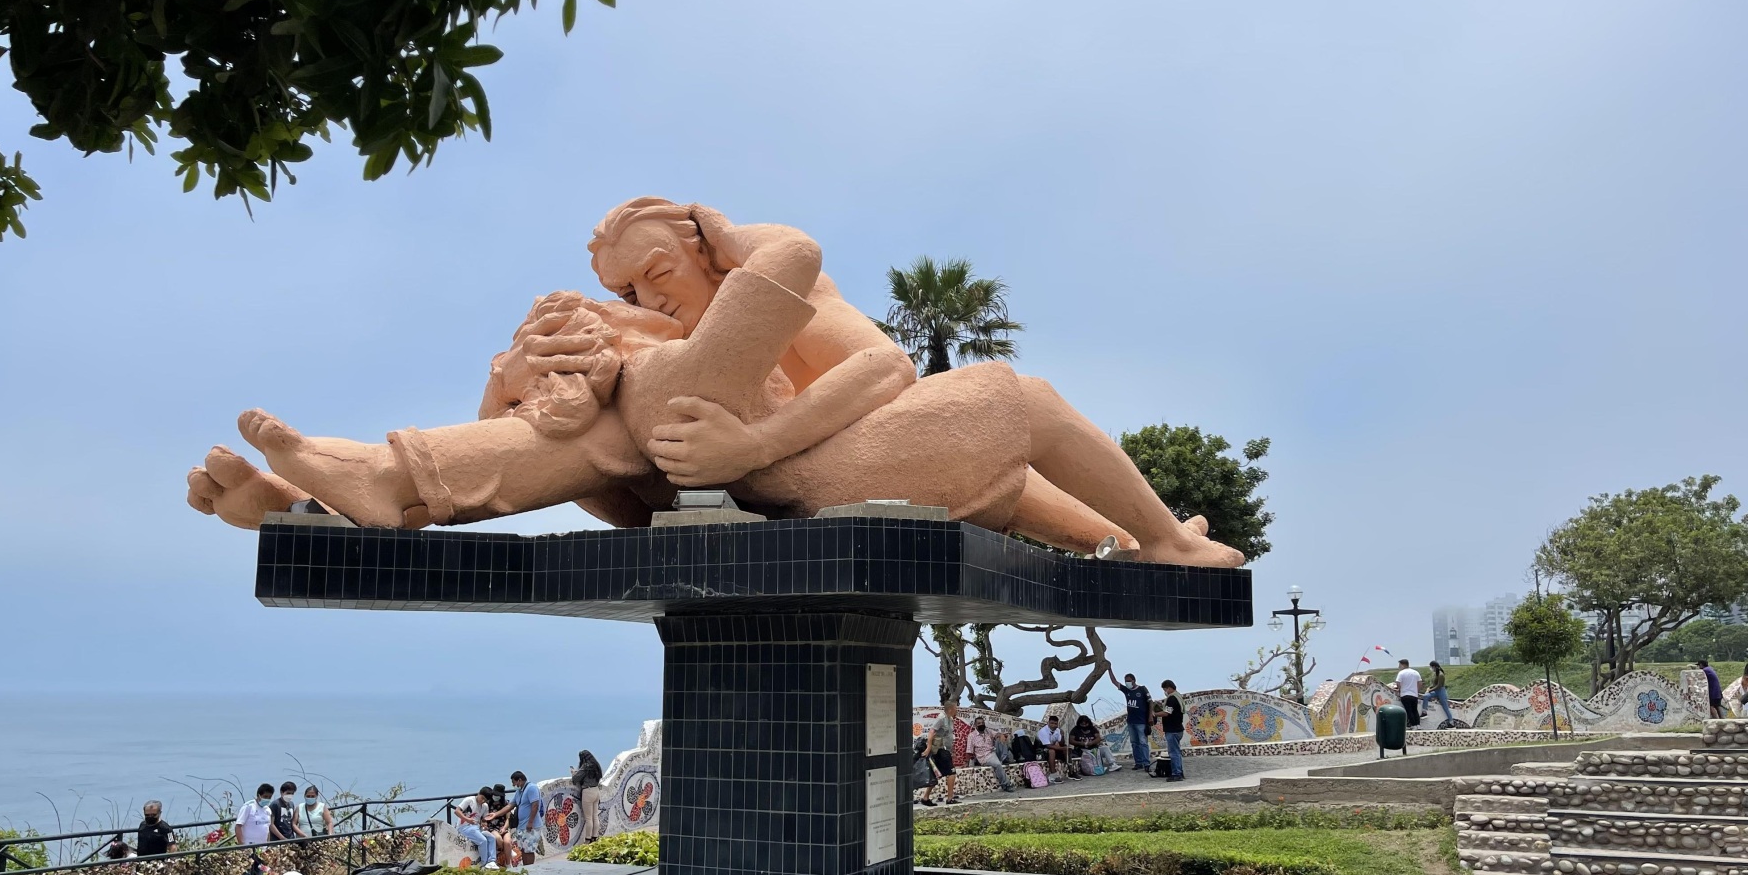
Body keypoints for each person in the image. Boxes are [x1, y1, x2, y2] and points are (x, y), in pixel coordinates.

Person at [193, 201, 1245, 574]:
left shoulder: (780, 299)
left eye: (659, 271)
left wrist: (751, 445)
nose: (648, 295)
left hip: (816, 462)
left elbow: (889, 371)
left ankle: (1162, 541)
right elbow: (582, 475)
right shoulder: (660, 352)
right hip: (733, 485)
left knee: (1017, 397)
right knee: (605, 422)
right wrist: (511, 380)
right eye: (627, 288)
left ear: (707, 248)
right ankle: (340, 496)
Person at [1107, 667, 1155, 771]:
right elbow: (1114, 681)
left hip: (1141, 721)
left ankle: (1146, 763)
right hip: (1131, 721)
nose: (1127, 683)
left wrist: (1150, 716)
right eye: (1126, 681)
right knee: (1134, 743)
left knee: (1143, 742)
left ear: (1134, 680)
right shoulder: (1127, 690)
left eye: (1129, 681)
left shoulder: (1142, 689)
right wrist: (1109, 670)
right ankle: (1138, 762)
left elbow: (1150, 702)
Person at [918, 704, 961, 806]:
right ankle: (950, 798)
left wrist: (952, 750)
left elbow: (948, 736)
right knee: (952, 773)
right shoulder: (941, 718)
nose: (957, 710)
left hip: (945, 750)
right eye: (955, 708)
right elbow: (931, 732)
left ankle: (925, 797)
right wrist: (928, 747)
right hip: (940, 750)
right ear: (950, 709)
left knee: (937, 774)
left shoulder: (950, 719)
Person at [965, 716, 1016, 794]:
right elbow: (969, 751)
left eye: (982, 723)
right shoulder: (971, 736)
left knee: (1002, 738)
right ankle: (1006, 784)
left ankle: (1004, 758)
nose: (981, 724)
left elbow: (997, 734)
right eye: (979, 723)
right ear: (975, 725)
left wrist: (1001, 735)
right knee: (997, 765)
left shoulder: (988, 731)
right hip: (984, 757)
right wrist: (966, 763)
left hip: (993, 752)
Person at [455, 787, 499, 868]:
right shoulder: (469, 800)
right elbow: (457, 811)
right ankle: (483, 863)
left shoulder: (485, 806)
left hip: (477, 828)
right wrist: (467, 819)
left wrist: (485, 823)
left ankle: (491, 861)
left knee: (492, 838)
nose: (483, 801)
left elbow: (484, 819)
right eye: (482, 798)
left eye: (485, 800)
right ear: (479, 793)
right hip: (465, 827)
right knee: (483, 840)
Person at [509, 771, 546, 866]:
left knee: (529, 850)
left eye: (514, 782)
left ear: (519, 780)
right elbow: (511, 805)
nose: (513, 785)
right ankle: (526, 868)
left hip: (531, 826)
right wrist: (495, 814)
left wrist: (530, 822)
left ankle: (530, 869)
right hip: (521, 826)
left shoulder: (531, 788)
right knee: (523, 850)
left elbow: (535, 805)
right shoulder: (519, 792)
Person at [573, 751, 605, 843]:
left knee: (588, 818)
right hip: (596, 791)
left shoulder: (585, 767)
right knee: (595, 816)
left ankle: (588, 839)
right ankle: (595, 836)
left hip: (588, 792)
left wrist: (574, 773)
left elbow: (575, 779)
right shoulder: (596, 765)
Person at [1158, 681, 1186, 782]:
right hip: (1178, 729)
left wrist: (1154, 714)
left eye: (1165, 689)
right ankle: (1179, 772)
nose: (1165, 692)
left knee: (1173, 753)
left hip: (1172, 730)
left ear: (1169, 688)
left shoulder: (1171, 698)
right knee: (1176, 752)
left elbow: (1167, 713)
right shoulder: (1178, 696)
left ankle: (1176, 773)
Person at [485, 783, 516, 865]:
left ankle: (508, 863)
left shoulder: (505, 804)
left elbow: (508, 818)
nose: (496, 796)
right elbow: (483, 818)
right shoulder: (487, 804)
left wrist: (504, 828)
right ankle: (509, 851)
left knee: (507, 842)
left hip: (502, 826)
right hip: (491, 827)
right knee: (498, 839)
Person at [1037, 715, 1072, 782]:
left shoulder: (1057, 730)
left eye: (1055, 724)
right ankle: (1053, 774)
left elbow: (1061, 743)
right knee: (1052, 751)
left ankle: (1071, 771)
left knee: (1067, 749)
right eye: (1052, 723)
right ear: (1048, 723)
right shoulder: (1043, 731)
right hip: (1041, 750)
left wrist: (1062, 735)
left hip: (1052, 748)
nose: (1053, 725)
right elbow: (1048, 746)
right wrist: (1062, 748)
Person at [1394, 659, 1422, 728]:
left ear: (1403, 665)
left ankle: (1413, 725)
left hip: (1405, 694)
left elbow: (1398, 683)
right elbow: (1420, 683)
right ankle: (1418, 725)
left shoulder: (1401, 673)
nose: (1399, 667)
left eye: (1399, 665)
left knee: (1409, 711)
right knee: (1415, 710)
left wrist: (1400, 689)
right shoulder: (1415, 672)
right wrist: (1417, 691)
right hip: (1414, 694)